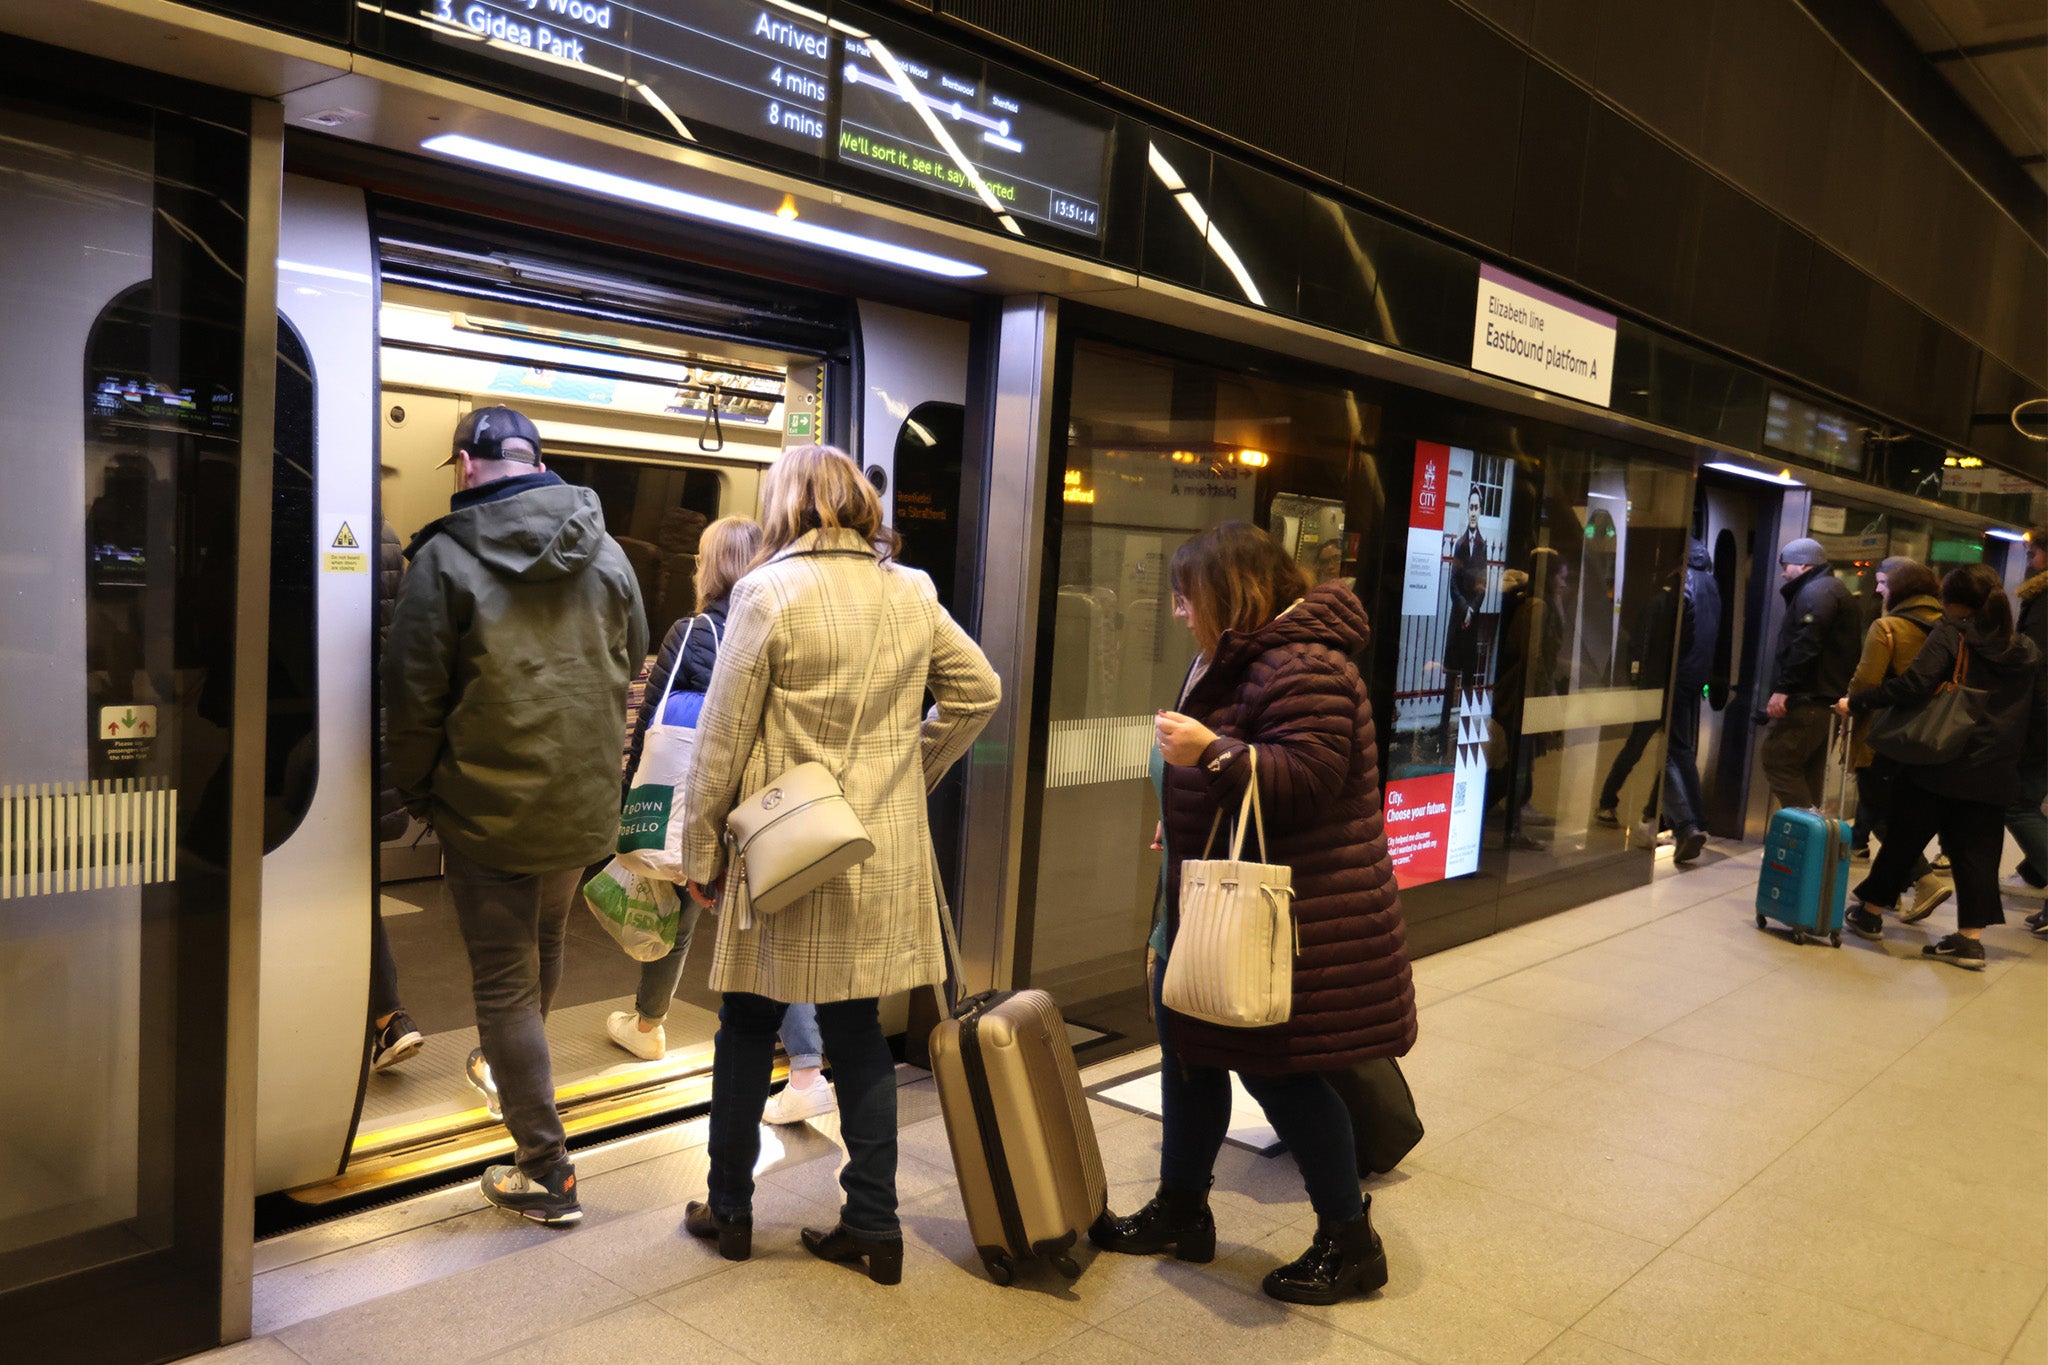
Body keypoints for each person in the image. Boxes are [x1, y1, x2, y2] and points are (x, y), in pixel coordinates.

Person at [677, 445, 998, 1282]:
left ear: (785, 506)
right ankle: (874, 1224)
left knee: (747, 1023)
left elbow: (721, 740)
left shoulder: (766, 591)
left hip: (782, 848)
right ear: (858, 502)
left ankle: (732, 1210)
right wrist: (906, 774)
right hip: (873, 849)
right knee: (858, 1031)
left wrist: (699, 851)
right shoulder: (912, 589)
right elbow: (979, 690)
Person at [1093, 521, 1415, 1306]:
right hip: (1210, 901)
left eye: (1186, 596)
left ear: (1231, 593)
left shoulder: (1303, 664)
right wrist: (1185, 806)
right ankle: (1181, 1208)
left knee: (1285, 1076)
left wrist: (1207, 753)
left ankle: (1350, 1239)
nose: (1177, 612)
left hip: (1289, 923)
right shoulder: (1242, 654)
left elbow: (1307, 776)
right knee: (1191, 1056)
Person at [385, 405, 646, 1225]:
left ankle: (545, 1167)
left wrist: (420, 790)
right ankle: (516, 1073)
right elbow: (631, 657)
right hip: (579, 805)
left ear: (466, 466)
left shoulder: (442, 559)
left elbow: (413, 696)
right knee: (545, 946)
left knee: (503, 981)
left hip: (488, 807)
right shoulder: (607, 551)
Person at [605, 515, 838, 1122]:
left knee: (678, 902)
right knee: (768, 927)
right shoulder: (784, 622)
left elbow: (651, 726)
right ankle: (808, 1069)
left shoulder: (692, 630)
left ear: (708, 566)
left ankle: (649, 1025)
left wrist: (633, 795)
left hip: (696, 800)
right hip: (764, 803)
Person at [1837, 564, 2043, 968]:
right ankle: (1969, 941)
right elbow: (2038, 709)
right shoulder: (2025, 648)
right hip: (1996, 766)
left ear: (1951, 602)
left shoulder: (1952, 634)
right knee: (1978, 851)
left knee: (1905, 836)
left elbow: (1915, 684)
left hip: (1943, 758)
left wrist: (1858, 702)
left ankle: (1871, 914)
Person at [1842, 558, 1949, 922]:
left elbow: (1865, 680)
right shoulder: (1949, 627)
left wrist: (1849, 705)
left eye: (1884, 582)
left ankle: (1924, 880)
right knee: (1898, 812)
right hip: (1930, 736)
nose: (1877, 589)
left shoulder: (1887, 627)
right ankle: (1887, 897)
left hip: (1883, 735)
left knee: (1881, 813)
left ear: (1901, 588)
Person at [370, 515, 422, 1071]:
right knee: (358, 888)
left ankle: (388, 1017)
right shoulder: (387, 538)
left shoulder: (300, 516)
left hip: (321, 737)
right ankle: (388, 1018)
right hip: (381, 733)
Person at [1760, 538, 1862, 810]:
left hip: (1809, 699)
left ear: (1804, 564)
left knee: (1778, 760)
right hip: (1825, 702)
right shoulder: (1833, 589)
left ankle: (1805, 834)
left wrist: (1784, 688)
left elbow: (1807, 643)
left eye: (1786, 565)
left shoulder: (1816, 592)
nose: (1783, 573)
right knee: (1810, 772)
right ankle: (1810, 844)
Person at [2006, 527, 2048, 917]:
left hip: (2042, 719)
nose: (2030, 561)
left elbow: (2034, 663)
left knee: (2018, 804)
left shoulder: (2044, 601)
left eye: (2033, 554)